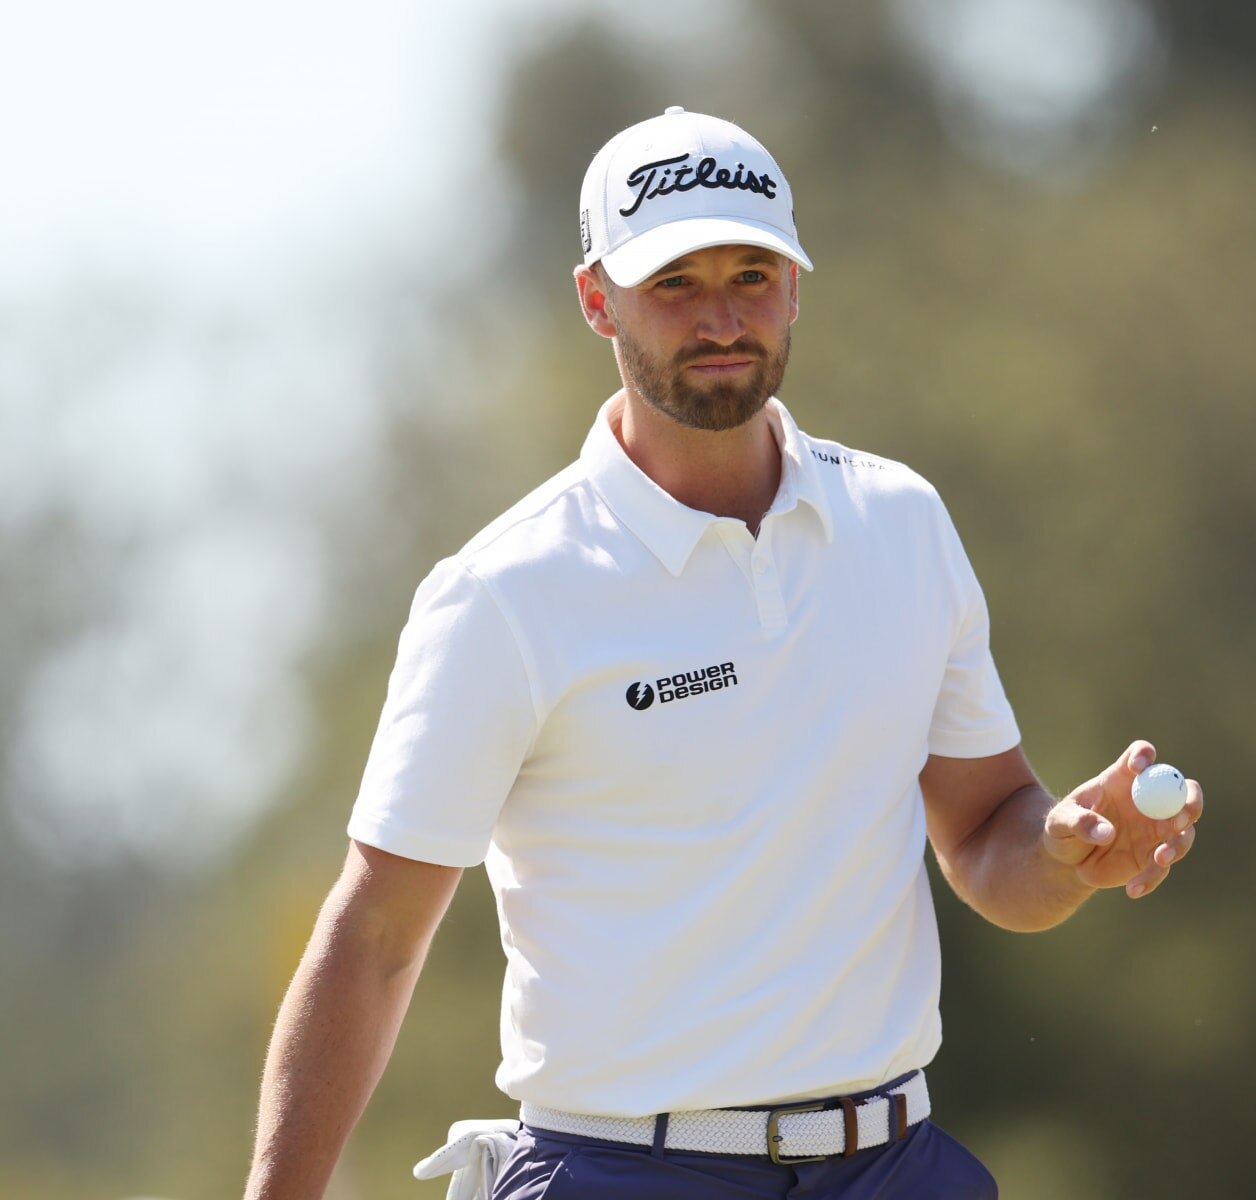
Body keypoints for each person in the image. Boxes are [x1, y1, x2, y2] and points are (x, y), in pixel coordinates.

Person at [243, 106, 1202, 1200]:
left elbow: (987, 839)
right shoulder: (504, 592)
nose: (721, 319)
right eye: (676, 285)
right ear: (597, 298)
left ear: (797, 285)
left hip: (900, 1167)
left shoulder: (902, 523)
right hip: (621, 1173)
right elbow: (372, 939)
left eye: (751, 274)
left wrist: (1071, 850)